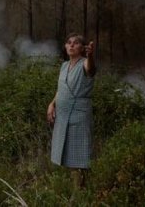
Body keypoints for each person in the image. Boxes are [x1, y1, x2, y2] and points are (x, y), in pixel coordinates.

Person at [47, 33, 96, 189]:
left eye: (75, 43)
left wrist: (90, 56)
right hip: (63, 115)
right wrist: (52, 103)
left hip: (79, 115)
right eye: (68, 42)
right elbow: (60, 89)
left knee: (80, 157)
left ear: (82, 48)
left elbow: (91, 69)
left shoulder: (85, 63)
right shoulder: (64, 66)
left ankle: (81, 193)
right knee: (68, 155)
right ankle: (77, 189)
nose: (71, 45)